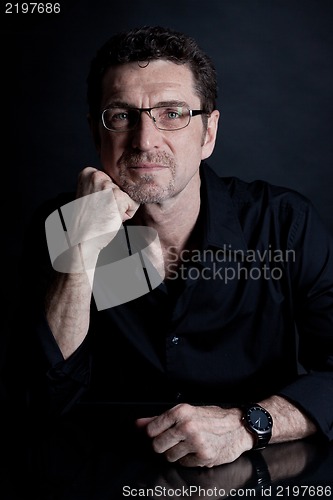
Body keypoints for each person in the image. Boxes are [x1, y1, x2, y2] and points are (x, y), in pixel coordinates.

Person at [13, 25, 333, 468]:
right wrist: (80, 251)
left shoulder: (283, 224)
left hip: (257, 478)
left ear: (208, 134)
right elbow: (41, 399)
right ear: (96, 132)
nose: (145, 141)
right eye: (122, 115)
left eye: (172, 113)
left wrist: (247, 425)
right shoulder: (59, 225)